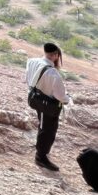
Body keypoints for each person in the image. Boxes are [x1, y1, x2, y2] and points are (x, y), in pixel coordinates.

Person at [25, 43, 70, 171]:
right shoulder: (53, 73)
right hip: (47, 104)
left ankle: (41, 150)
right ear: (55, 55)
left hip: (35, 98)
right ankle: (41, 157)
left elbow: (27, 78)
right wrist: (68, 99)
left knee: (43, 124)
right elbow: (60, 96)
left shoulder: (32, 61)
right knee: (48, 129)